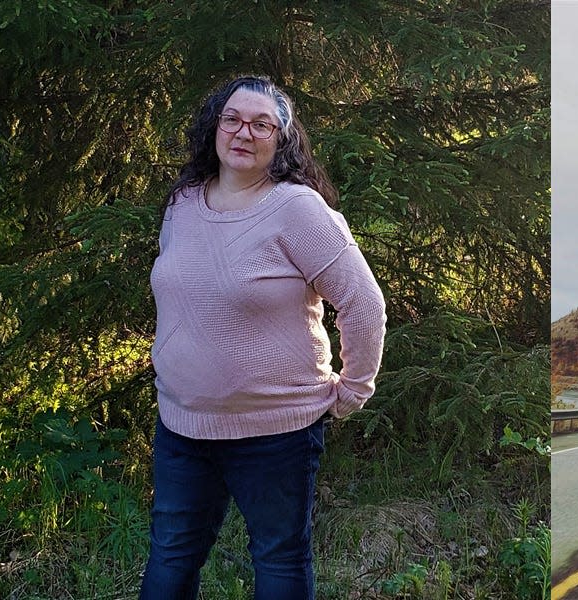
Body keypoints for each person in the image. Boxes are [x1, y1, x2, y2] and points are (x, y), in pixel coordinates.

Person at [141, 75, 386, 599]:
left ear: (282, 140)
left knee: (278, 558)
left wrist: (353, 389)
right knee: (170, 554)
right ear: (215, 127)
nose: (243, 133)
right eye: (232, 119)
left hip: (276, 433)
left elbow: (363, 303)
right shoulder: (183, 204)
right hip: (182, 426)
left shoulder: (298, 209)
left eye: (261, 124)